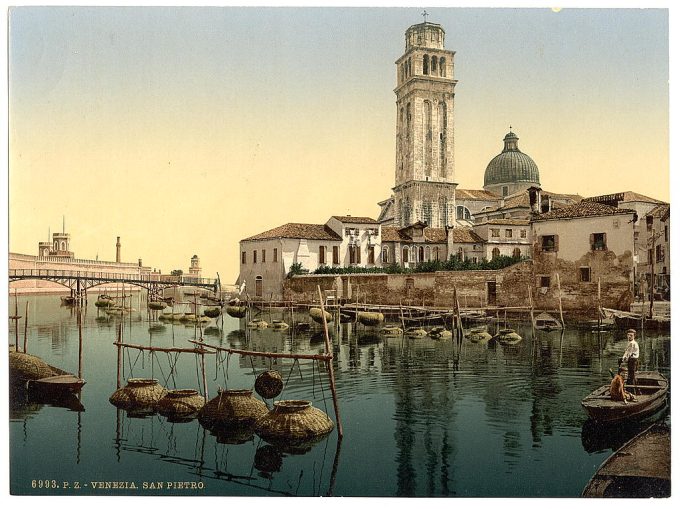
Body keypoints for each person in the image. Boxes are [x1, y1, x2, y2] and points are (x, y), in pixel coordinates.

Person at [621, 329, 640, 393]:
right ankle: (632, 390)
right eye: (628, 335)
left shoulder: (632, 343)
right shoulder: (630, 343)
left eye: (631, 335)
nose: (629, 336)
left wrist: (624, 359)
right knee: (631, 375)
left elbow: (629, 353)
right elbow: (627, 352)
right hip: (631, 360)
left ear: (634, 336)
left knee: (631, 376)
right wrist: (624, 357)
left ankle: (633, 391)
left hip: (633, 361)